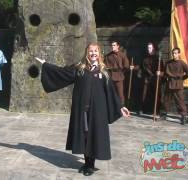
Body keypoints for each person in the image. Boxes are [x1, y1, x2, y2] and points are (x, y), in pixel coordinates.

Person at [35, 43, 130, 176]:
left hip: (98, 112)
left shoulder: (104, 72)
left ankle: (91, 165)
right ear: (87, 53)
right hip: (83, 110)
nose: (93, 53)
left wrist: (120, 107)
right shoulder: (79, 69)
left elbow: (111, 92)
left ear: (99, 53)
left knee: (94, 136)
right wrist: (46, 65)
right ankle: (86, 163)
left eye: (95, 51)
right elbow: (62, 72)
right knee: (85, 136)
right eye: (91, 51)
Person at [162, 47, 188, 125]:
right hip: (170, 84)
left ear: (179, 54)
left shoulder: (182, 63)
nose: (174, 55)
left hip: (178, 85)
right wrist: (164, 76)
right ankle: (164, 113)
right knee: (166, 100)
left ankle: (183, 116)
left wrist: (181, 79)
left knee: (180, 101)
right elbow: (165, 73)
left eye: (176, 53)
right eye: (173, 53)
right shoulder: (168, 63)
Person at [140, 42, 164, 114]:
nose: (149, 49)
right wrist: (134, 67)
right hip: (147, 78)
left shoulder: (158, 59)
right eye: (148, 48)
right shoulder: (145, 58)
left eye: (150, 48)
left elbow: (162, 70)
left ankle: (156, 110)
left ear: (153, 48)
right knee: (145, 94)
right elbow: (141, 67)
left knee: (156, 94)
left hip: (155, 79)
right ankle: (144, 109)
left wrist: (160, 73)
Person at [105, 41, 130, 105]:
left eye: (114, 45)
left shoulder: (122, 55)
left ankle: (121, 107)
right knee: (111, 92)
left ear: (117, 46)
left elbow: (126, 65)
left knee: (120, 93)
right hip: (111, 76)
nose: (112, 47)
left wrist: (122, 72)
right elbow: (105, 66)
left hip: (119, 76)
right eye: (112, 45)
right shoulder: (108, 56)